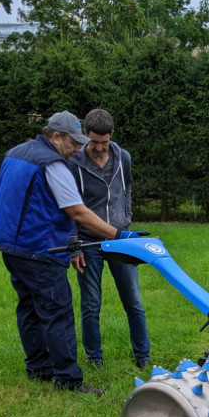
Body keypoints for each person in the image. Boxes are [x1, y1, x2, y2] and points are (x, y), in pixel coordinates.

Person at [0, 111, 137, 396]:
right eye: (73, 142)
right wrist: (119, 235)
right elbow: (78, 211)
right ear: (55, 137)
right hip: (37, 247)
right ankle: (68, 378)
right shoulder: (53, 163)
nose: (77, 149)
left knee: (29, 307)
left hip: (9, 244)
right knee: (57, 311)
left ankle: (38, 367)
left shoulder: (16, 153)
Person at [68, 109, 151, 370]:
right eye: (94, 143)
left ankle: (143, 356)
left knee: (134, 302)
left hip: (119, 239)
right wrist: (74, 246)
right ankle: (95, 359)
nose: (100, 148)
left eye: (104, 143)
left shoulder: (123, 157)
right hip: (88, 242)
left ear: (111, 136)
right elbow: (69, 206)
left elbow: (126, 191)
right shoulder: (74, 162)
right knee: (91, 304)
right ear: (85, 136)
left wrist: (125, 219)